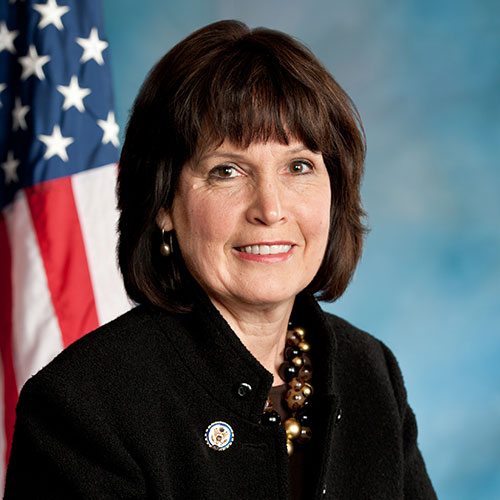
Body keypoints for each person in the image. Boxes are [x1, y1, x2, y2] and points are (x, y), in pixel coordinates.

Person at [5, 20, 437, 499]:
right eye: (226, 171)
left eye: (298, 167)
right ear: (163, 204)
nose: (270, 209)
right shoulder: (84, 407)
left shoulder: (370, 373)